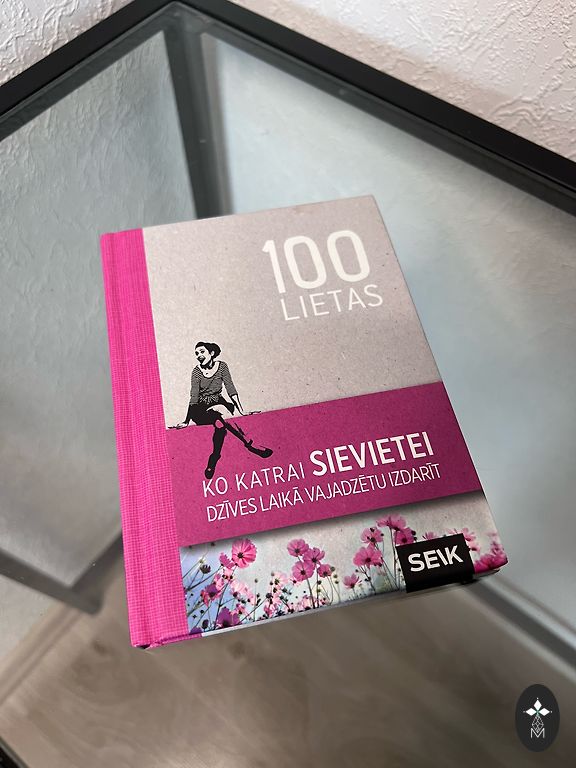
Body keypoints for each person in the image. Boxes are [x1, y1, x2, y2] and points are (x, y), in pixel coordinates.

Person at [176, 342, 272, 478]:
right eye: (196, 353)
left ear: (211, 353)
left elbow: (230, 387)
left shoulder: (222, 366)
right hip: (201, 409)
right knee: (221, 410)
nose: (199, 355)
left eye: (202, 352)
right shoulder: (196, 372)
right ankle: (250, 444)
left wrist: (241, 410)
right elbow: (194, 397)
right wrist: (186, 421)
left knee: (220, 426)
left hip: (219, 403)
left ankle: (214, 457)